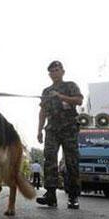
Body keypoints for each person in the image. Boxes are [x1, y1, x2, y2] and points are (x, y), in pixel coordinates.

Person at [36, 60, 83, 209]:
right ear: (49, 74)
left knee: (71, 161)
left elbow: (79, 100)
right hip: (52, 129)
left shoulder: (70, 85)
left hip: (69, 128)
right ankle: (50, 195)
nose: (54, 72)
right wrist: (39, 129)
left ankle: (73, 196)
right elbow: (42, 111)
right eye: (52, 71)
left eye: (57, 69)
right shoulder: (46, 91)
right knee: (49, 159)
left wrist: (61, 97)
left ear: (63, 71)